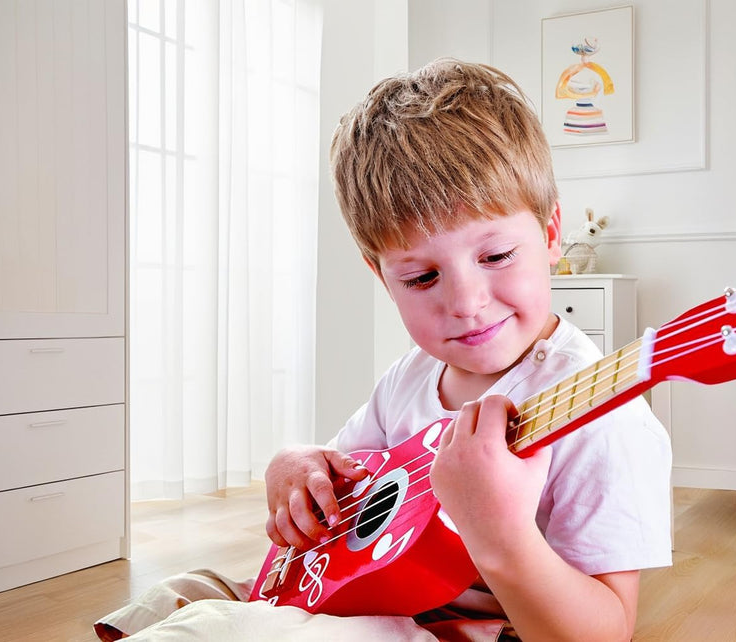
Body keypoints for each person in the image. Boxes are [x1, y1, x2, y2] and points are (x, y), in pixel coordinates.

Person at [95, 58, 671, 642]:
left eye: (496, 257)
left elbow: (605, 633)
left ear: (550, 235)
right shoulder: (412, 376)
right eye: (422, 278)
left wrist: (501, 537)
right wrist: (294, 464)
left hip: (479, 631)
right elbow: (346, 476)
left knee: (237, 630)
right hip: (366, 600)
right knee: (187, 592)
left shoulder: (606, 415)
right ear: (381, 276)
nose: (467, 302)